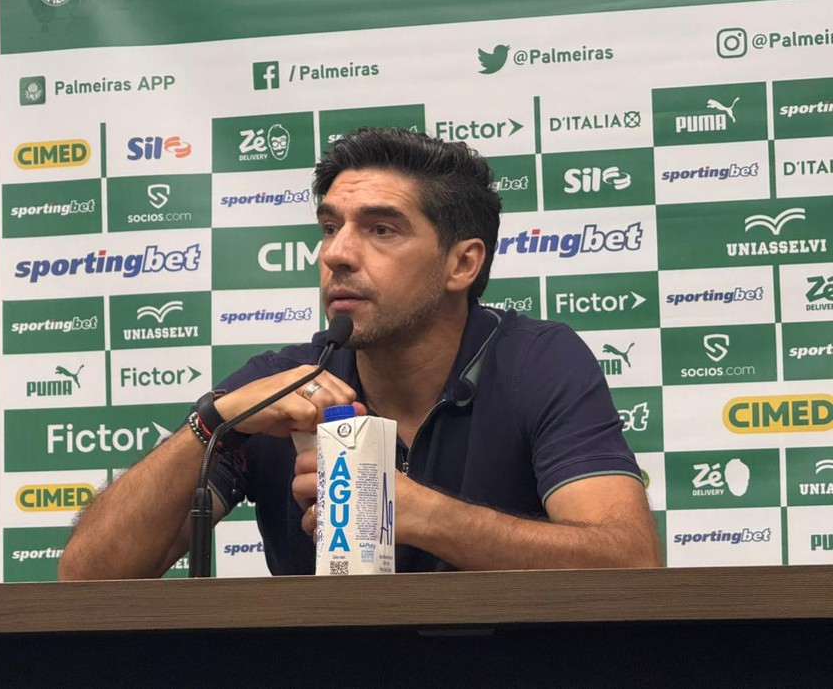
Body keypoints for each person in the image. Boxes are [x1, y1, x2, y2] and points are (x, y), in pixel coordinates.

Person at [58, 127, 661, 579]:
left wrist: (418, 513)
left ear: (463, 263)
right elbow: (87, 577)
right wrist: (214, 420)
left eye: (381, 229)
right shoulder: (279, 384)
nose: (335, 254)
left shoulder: (539, 362)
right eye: (329, 227)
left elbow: (629, 561)